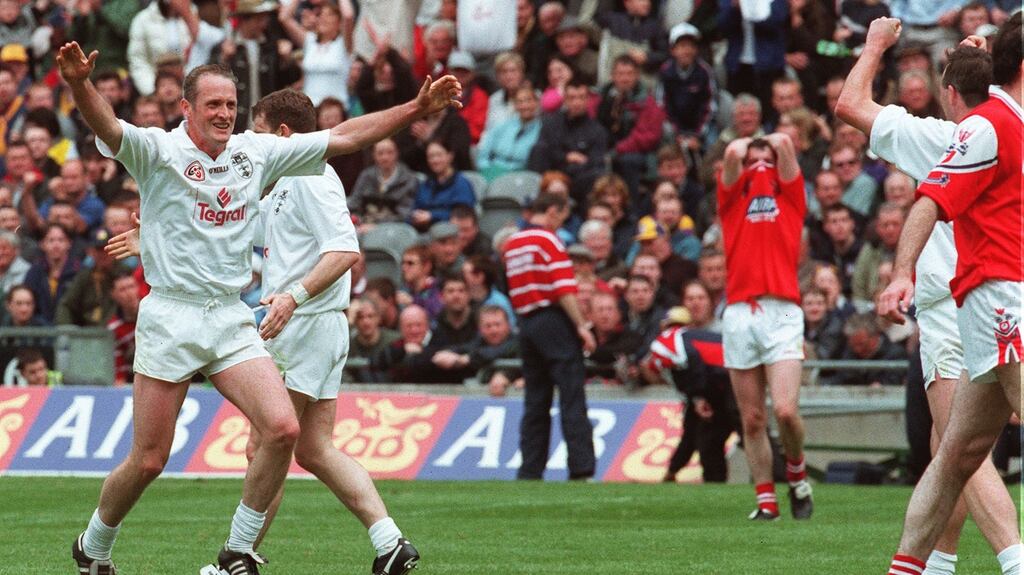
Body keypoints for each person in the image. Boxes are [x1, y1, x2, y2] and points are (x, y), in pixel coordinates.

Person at [56, 37, 459, 575]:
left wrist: (415, 108)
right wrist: (81, 84)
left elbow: (342, 136)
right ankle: (94, 544)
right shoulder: (159, 150)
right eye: (213, 105)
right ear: (188, 109)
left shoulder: (256, 151)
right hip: (171, 315)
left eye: (230, 105)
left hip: (228, 315)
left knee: (284, 430)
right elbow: (107, 127)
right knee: (149, 459)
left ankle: (238, 551)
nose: (224, 114)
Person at [836, 17, 1021, 575]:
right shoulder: (977, 131)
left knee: (957, 451)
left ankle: (921, 566)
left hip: (968, 302)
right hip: (976, 301)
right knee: (957, 452)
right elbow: (928, 202)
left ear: (947, 90)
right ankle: (1014, 560)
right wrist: (901, 273)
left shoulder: (949, 132)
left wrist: (874, 47)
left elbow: (850, 102)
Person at [718, 133, 812, 520]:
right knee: (752, 418)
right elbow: (729, 155)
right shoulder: (731, 201)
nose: (759, 165)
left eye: (766, 161)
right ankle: (766, 500)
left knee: (786, 411)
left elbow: (787, 145)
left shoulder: (790, 197)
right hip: (741, 312)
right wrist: (747, 150)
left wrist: (770, 147)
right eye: (752, 160)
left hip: (782, 311)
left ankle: (796, 471)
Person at [502, 192, 596, 480]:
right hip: (552, 319)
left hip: (527, 322)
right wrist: (581, 325)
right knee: (571, 395)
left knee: (536, 401)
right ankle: (581, 468)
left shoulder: (513, 242)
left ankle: (530, 469)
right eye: (562, 216)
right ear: (553, 210)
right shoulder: (548, 240)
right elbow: (563, 287)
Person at [644, 307, 741, 483]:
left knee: (718, 437)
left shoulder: (672, 346)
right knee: (709, 441)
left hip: (725, 386)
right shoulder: (702, 342)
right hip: (722, 385)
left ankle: (779, 475)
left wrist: (697, 396)